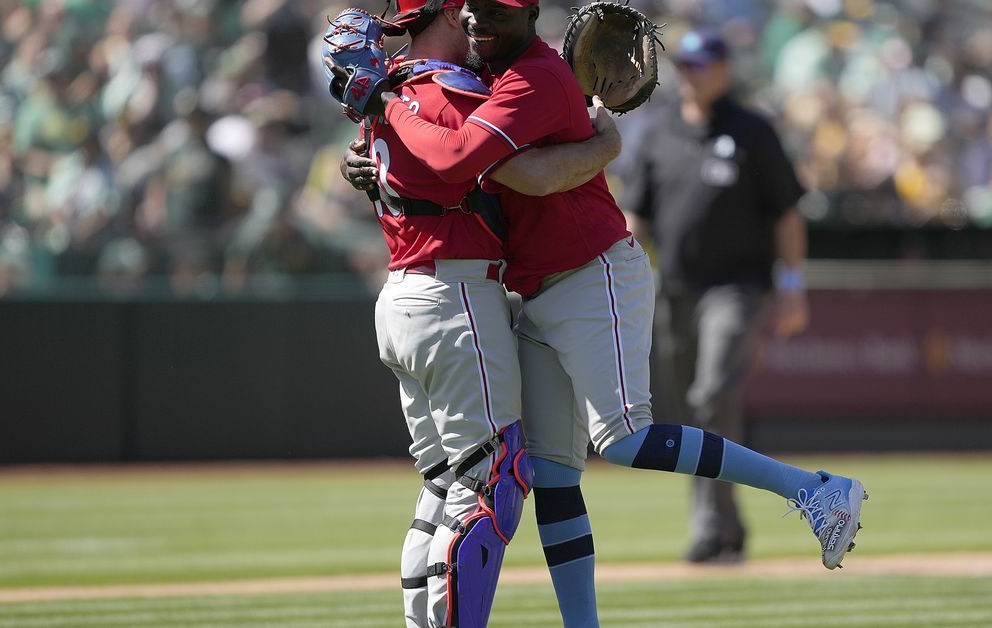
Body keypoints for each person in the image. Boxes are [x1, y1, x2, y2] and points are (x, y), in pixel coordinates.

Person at [352, 2, 867, 625]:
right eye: (473, 9)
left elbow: (501, 168)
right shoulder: (486, 77)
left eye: (496, 12)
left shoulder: (534, 77)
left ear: (531, 14)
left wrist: (390, 118)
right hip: (538, 286)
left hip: (592, 271)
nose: (479, 21)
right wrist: (389, 156)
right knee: (551, 473)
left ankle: (814, 491)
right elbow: (461, 154)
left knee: (625, 438)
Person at [326, 1, 621, 626]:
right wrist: (604, 144)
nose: (471, 18)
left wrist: (376, 103)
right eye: (460, 7)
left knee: (440, 493)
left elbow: (382, 152)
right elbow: (517, 170)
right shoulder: (441, 92)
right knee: (492, 488)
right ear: (436, 14)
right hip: (453, 296)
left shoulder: (397, 90)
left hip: (402, 299)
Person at [620, 29, 811, 564]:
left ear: (725, 69)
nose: (692, 73)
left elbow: (787, 213)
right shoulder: (657, 133)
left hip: (737, 288)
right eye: (685, 64)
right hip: (675, 289)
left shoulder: (752, 130)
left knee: (710, 395)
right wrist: (624, 276)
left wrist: (792, 286)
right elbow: (639, 217)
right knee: (692, 415)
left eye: (702, 64)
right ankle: (729, 524)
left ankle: (708, 524)